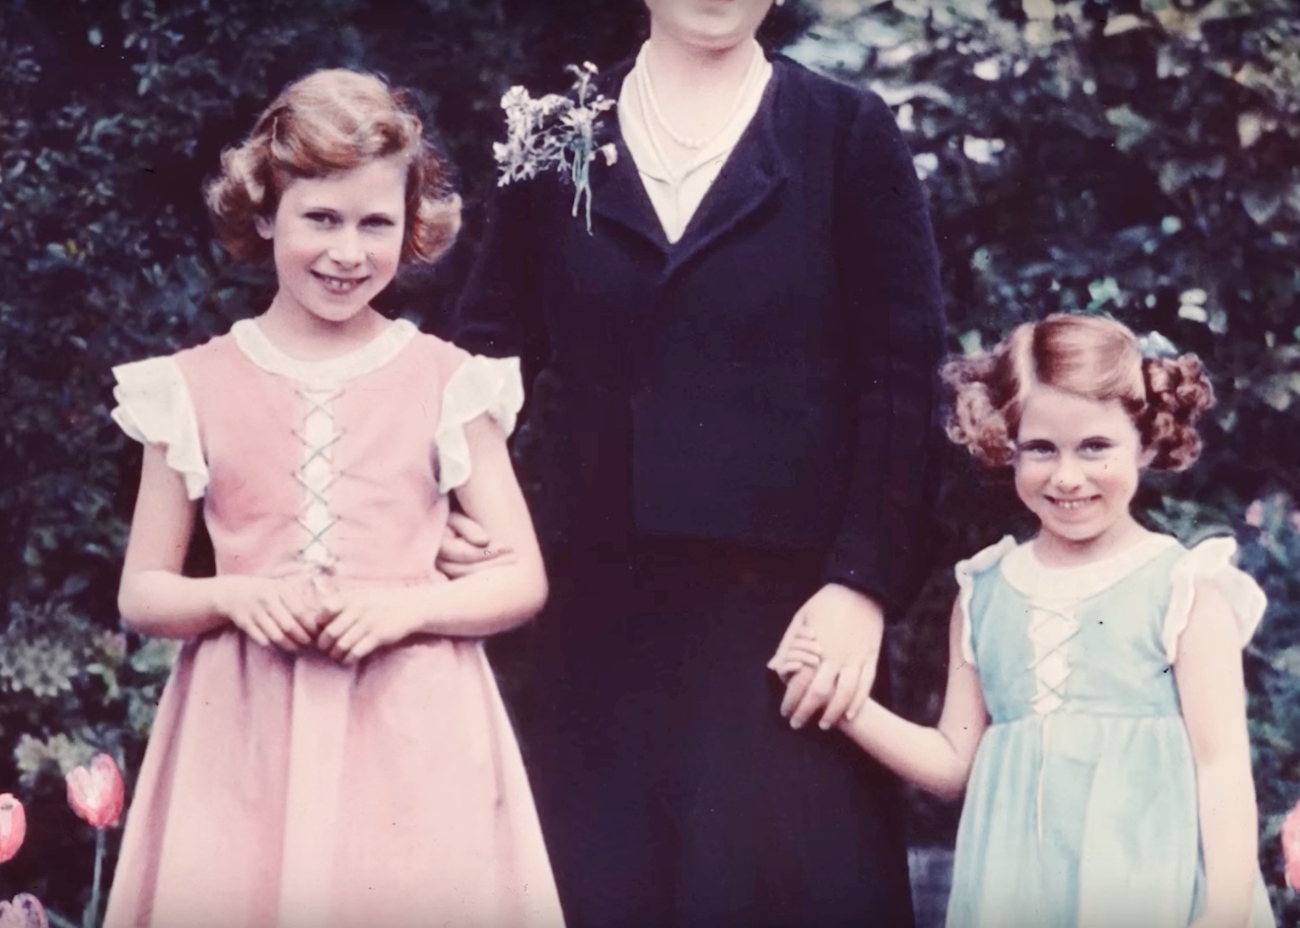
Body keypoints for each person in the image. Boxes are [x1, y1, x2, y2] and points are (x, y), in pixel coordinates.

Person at [445, 1, 946, 925]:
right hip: (596, 622)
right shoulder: (559, 137)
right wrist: (467, 516)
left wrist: (861, 586)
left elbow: (904, 374)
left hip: (790, 626)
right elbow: (486, 356)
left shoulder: (845, 132)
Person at [103, 69, 563, 928]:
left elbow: (520, 577)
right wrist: (233, 594)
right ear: (266, 211)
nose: (347, 253)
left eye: (375, 224)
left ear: (411, 229)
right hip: (240, 735)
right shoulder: (189, 386)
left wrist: (411, 607)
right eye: (320, 218)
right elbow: (144, 592)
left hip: (414, 724)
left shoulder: (449, 382)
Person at [773, 313, 1276, 928]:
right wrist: (844, 701)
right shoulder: (985, 592)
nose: (1067, 477)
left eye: (1095, 446)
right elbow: (954, 763)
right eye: (1040, 448)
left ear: (1146, 441)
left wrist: (1222, 914)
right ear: (1005, 444)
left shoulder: (1184, 589)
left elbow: (1220, 767)